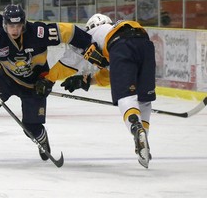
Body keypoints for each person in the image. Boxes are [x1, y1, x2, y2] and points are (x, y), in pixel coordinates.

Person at [0, 4, 102, 164]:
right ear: (5, 25)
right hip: (6, 79)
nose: (15, 30)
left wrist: (87, 44)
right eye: (11, 25)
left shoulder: (38, 32)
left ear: (23, 23)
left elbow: (69, 31)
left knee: (31, 128)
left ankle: (42, 139)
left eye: (18, 25)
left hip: (37, 82)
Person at [45, 13, 156, 168]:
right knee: (144, 99)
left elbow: (69, 61)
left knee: (126, 97)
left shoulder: (90, 34)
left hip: (121, 44)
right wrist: (88, 81)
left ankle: (136, 127)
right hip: (144, 42)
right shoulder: (110, 31)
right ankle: (143, 140)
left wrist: (48, 79)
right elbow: (111, 73)